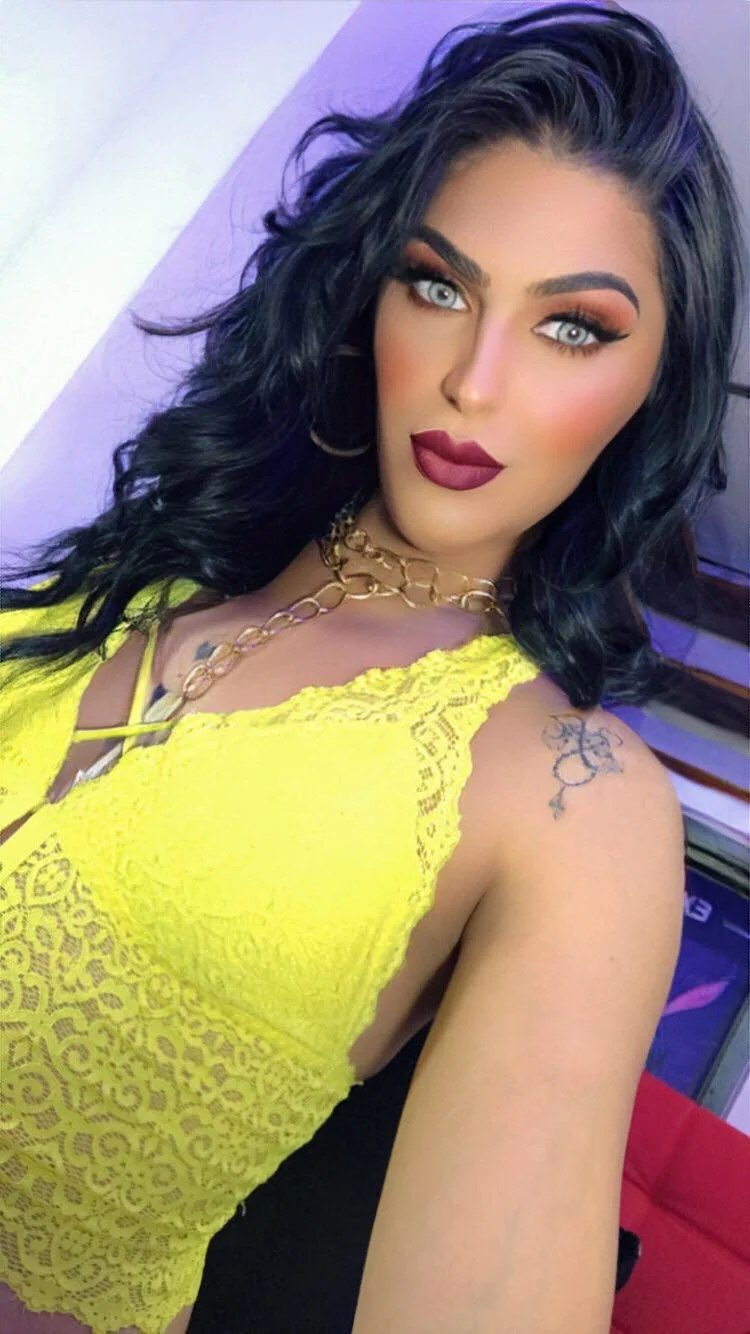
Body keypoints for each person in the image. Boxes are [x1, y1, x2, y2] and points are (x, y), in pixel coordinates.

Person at [0, 3, 745, 1331]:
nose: (473, 380)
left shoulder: (571, 798)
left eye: (573, 327)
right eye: (439, 286)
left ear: (652, 389)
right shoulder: (154, 580)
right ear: (369, 300)